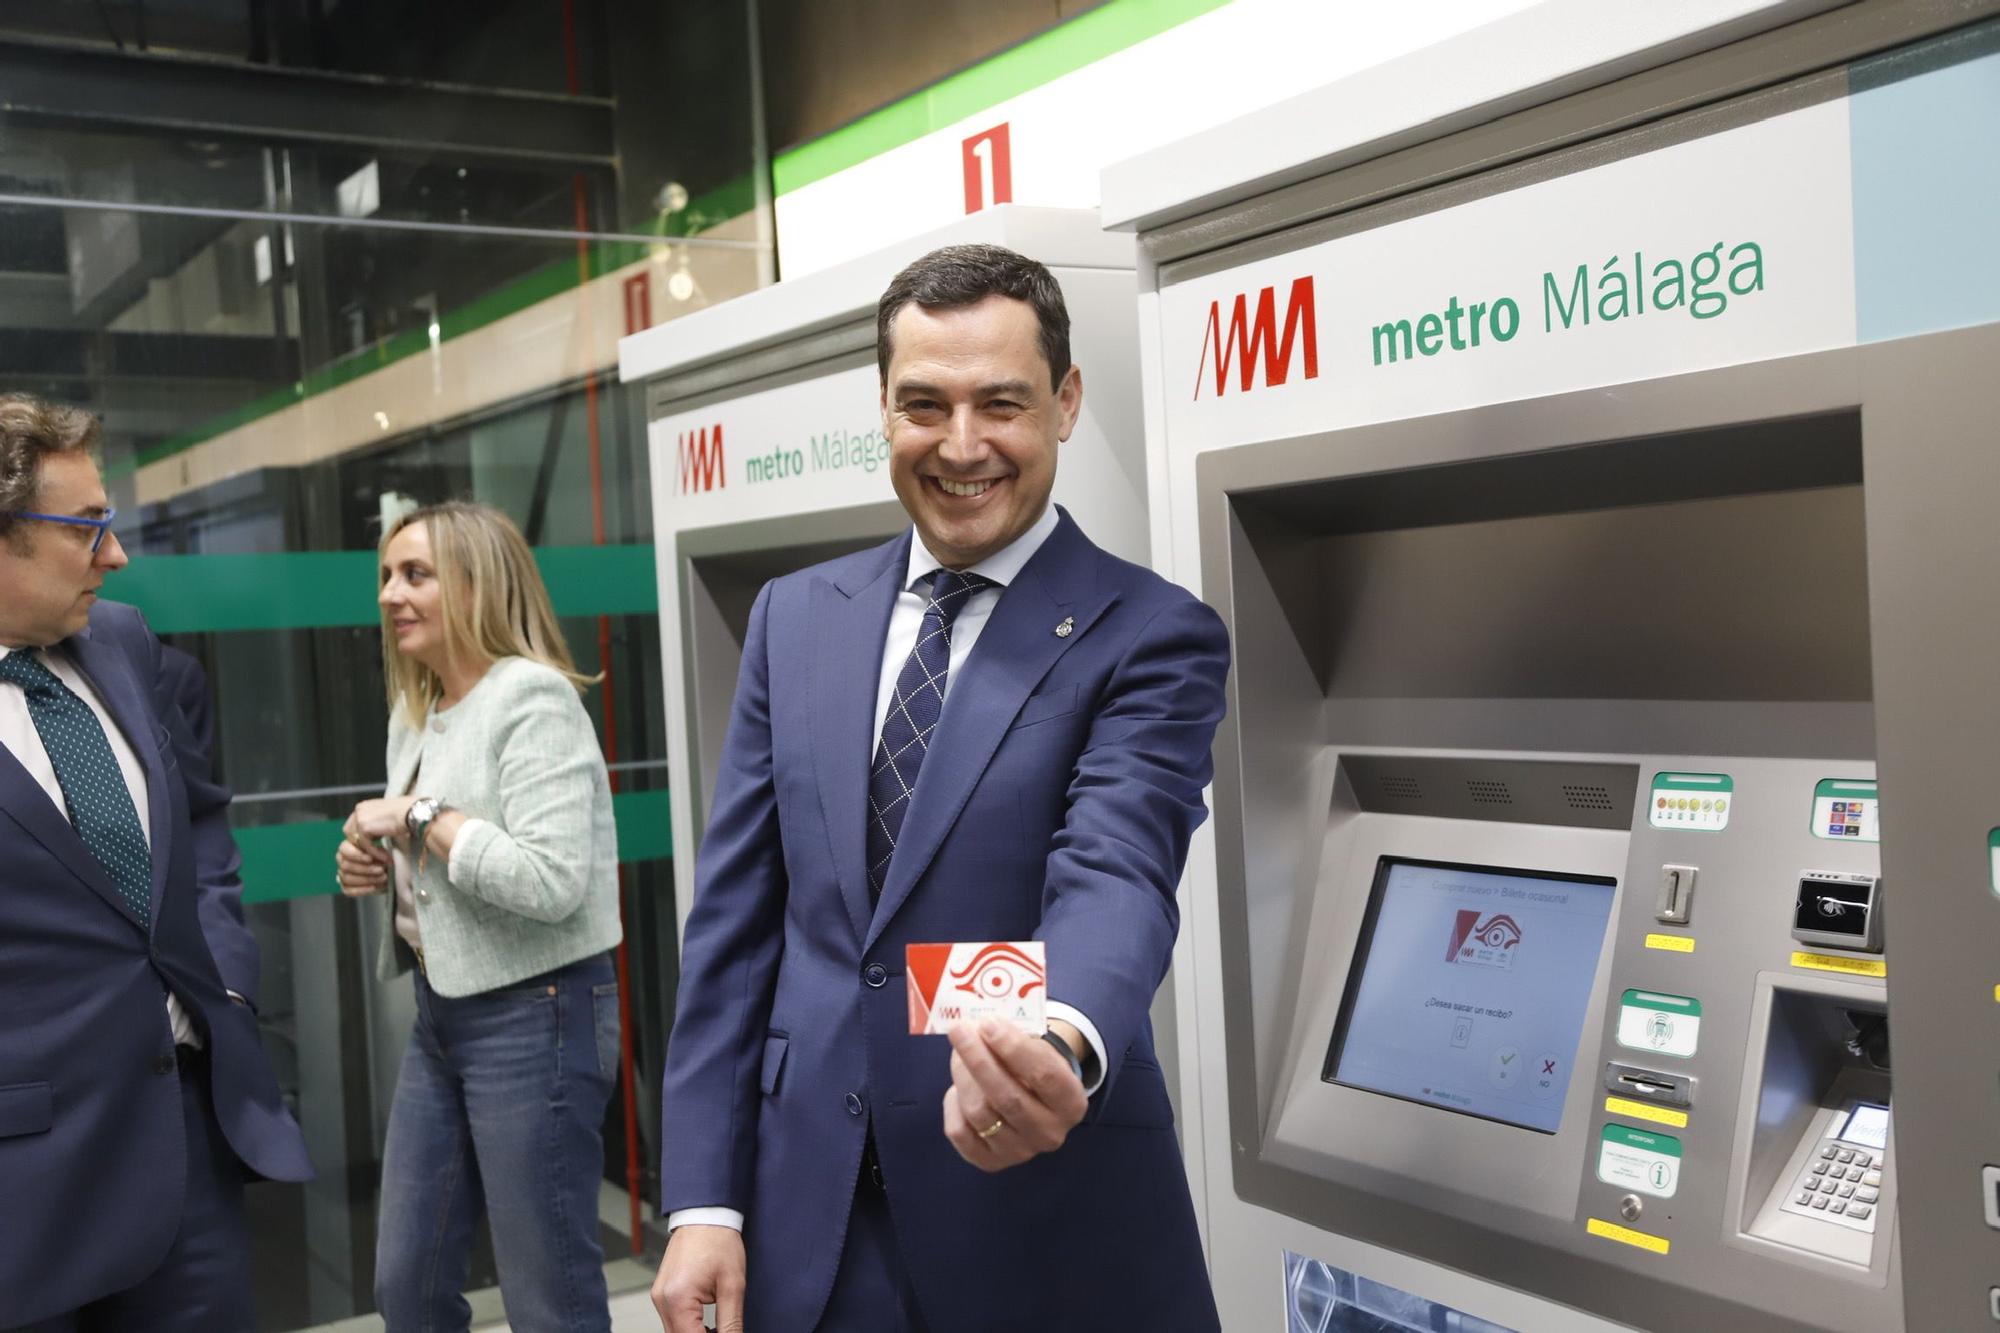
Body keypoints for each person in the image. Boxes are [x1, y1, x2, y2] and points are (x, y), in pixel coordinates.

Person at [649, 245, 1230, 1332]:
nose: (961, 446)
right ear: (881, 408)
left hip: (1036, 1207)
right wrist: (704, 1198)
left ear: (1063, 402)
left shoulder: (1148, 634)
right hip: (810, 1221)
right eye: (925, 404)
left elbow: (1118, 868)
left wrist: (1057, 1040)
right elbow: (735, 932)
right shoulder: (793, 617)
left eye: (999, 403)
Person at [0, 393, 312, 1331]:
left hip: (186, 1148)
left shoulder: (124, 644)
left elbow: (204, 827)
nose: (117, 554)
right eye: (87, 526)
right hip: (24, 1176)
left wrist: (228, 981)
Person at [334, 500, 624, 1332]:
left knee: (549, 1298)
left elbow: (552, 879)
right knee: (407, 1287)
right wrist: (373, 863)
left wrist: (419, 817)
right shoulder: (416, 708)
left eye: (415, 574)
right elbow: (428, 857)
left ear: (475, 583)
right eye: (387, 575)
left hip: (538, 1015)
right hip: (441, 1015)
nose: (391, 594)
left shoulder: (532, 699)